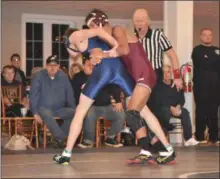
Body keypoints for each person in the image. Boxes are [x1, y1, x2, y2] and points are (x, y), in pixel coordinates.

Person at [53, 26, 165, 165]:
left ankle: (66, 154)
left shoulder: (74, 37)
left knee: (80, 112)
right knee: (143, 110)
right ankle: (166, 147)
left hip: (103, 72)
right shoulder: (98, 40)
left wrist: (116, 45)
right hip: (119, 70)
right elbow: (99, 38)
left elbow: (95, 34)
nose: (71, 54)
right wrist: (114, 47)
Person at [85, 9, 175, 164]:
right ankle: (161, 149)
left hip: (145, 74)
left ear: (99, 23)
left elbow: (125, 50)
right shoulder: (109, 40)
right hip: (138, 77)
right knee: (143, 114)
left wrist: (104, 54)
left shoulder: (118, 29)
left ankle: (153, 149)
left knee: (132, 113)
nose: (92, 32)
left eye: (92, 27)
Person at [72, 56, 124, 148]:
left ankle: (110, 137)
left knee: (121, 114)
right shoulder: (78, 77)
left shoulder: (101, 75)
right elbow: (74, 93)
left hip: (106, 105)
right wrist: (78, 106)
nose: (91, 66)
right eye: (88, 64)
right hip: (91, 107)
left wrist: (118, 101)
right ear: (84, 65)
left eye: (93, 65)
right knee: (89, 114)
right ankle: (88, 140)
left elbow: (113, 86)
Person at [30, 55, 76, 148]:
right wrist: (35, 112)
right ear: (46, 66)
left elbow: (69, 93)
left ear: (58, 67)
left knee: (76, 113)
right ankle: (61, 137)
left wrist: (73, 108)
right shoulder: (39, 76)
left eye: (55, 65)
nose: (52, 68)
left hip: (59, 109)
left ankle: (58, 139)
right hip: (44, 108)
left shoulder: (63, 76)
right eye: (50, 65)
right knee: (46, 113)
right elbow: (33, 94)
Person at [149, 63, 199, 146]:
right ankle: (161, 137)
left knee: (185, 112)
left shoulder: (176, 84)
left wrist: (178, 106)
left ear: (171, 73)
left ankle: (188, 138)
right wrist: (171, 108)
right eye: (164, 72)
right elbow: (159, 101)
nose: (166, 74)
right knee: (166, 112)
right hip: (162, 108)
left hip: (175, 108)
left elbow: (181, 99)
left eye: (168, 72)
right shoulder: (157, 86)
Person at [132, 8, 182, 88]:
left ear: (147, 22)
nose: (139, 24)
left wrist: (177, 77)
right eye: (137, 21)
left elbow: (172, 55)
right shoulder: (132, 38)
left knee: (156, 100)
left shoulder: (158, 35)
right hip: (138, 76)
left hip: (155, 75)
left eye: (142, 21)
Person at [191, 28, 220, 144]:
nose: (207, 37)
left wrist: (211, 61)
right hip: (201, 86)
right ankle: (200, 137)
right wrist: (214, 61)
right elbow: (204, 63)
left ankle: (214, 137)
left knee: (214, 111)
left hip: (216, 87)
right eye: (205, 35)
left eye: (210, 35)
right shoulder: (197, 50)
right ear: (201, 37)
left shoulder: (217, 50)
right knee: (201, 111)